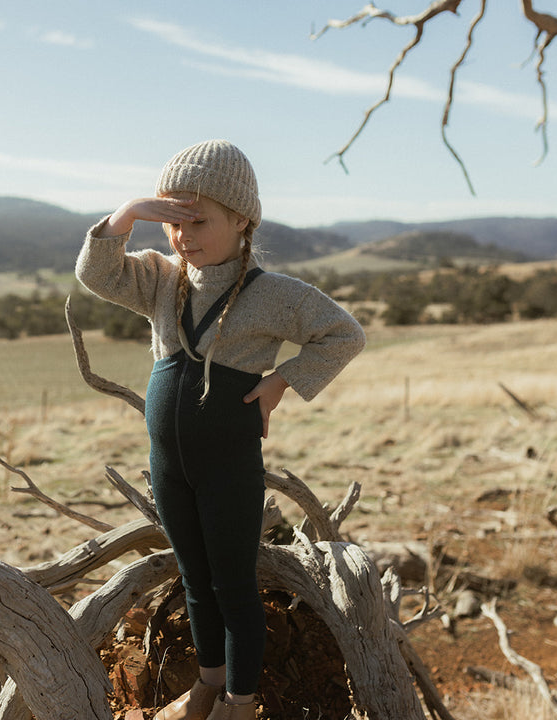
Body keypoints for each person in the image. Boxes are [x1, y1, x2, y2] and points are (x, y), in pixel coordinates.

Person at [75, 140, 365, 720]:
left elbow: (344, 334)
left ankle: (240, 700)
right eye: (172, 220)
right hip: (169, 464)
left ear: (242, 220)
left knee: (233, 585)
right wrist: (129, 214)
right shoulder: (160, 279)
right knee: (194, 578)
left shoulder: (276, 295)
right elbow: (96, 274)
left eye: (197, 220)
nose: (182, 235)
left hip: (228, 461)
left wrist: (285, 379)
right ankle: (206, 686)